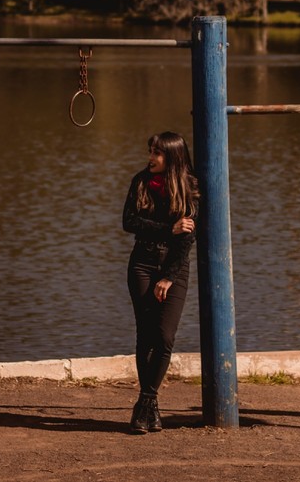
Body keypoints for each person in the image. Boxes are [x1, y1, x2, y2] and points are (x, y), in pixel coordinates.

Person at [122, 131, 199, 434]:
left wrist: (168, 276)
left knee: (164, 337)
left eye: (157, 153)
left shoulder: (191, 187)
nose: (150, 158)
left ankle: (145, 400)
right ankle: (148, 409)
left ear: (173, 156)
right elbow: (129, 222)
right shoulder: (140, 181)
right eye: (150, 151)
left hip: (173, 268)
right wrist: (169, 227)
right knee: (145, 335)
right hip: (141, 263)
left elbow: (188, 238)